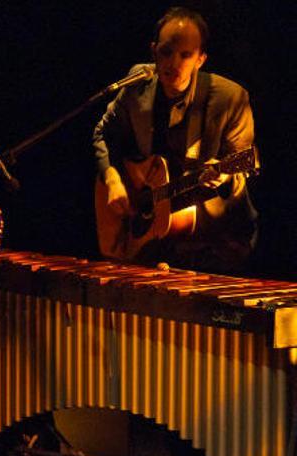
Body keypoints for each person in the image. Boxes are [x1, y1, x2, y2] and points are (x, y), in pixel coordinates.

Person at [93, 6, 258, 274]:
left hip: (216, 241)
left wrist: (223, 174)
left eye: (186, 55)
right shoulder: (137, 84)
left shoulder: (230, 99)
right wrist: (111, 178)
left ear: (201, 59)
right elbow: (103, 133)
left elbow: (240, 168)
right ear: (153, 51)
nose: (174, 64)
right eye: (166, 52)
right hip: (153, 239)